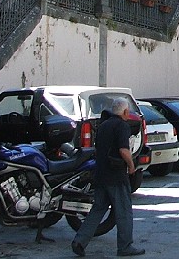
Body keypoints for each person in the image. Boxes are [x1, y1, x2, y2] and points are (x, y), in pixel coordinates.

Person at [71, 98, 144, 257]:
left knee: (98, 209)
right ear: (125, 112)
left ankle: (79, 241)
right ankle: (125, 246)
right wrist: (131, 166)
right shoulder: (122, 126)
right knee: (124, 210)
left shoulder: (103, 125)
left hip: (101, 174)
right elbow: (124, 151)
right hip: (116, 175)